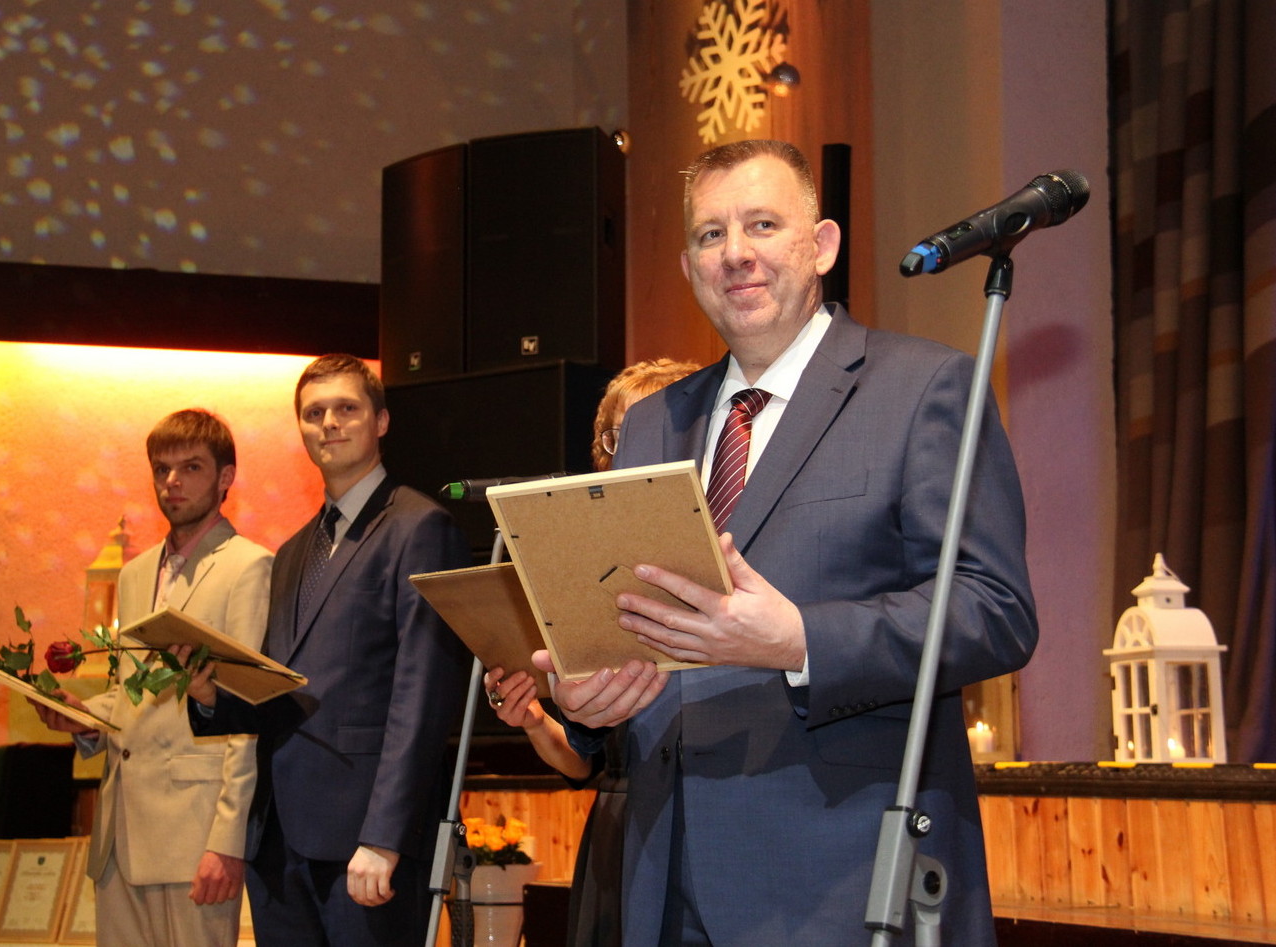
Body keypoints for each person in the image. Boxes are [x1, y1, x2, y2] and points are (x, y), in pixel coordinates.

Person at [535, 139, 1039, 946]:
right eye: (710, 235)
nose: (735, 252)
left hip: (836, 875)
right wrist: (586, 697)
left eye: (762, 224)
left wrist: (801, 639)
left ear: (822, 244)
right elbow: (631, 623)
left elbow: (994, 610)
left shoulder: (923, 388)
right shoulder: (653, 423)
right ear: (689, 265)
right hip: (660, 875)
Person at [182, 353, 471, 947]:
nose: (329, 423)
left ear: (380, 421)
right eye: (314, 413)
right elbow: (284, 692)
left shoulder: (420, 528)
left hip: (366, 843)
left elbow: (422, 696)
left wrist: (385, 837)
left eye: (346, 408)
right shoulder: (292, 551)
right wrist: (212, 697)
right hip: (277, 842)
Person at [32, 408, 273, 947]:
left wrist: (227, 840)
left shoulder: (249, 567)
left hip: (193, 833)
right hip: (120, 831)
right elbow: (131, 692)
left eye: (191, 467)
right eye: (162, 469)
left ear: (226, 477)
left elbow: (245, 711)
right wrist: (84, 717)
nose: (172, 482)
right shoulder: (135, 572)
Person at [483, 357, 698, 947]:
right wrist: (532, 718)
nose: (629, 449)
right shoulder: (584, 572)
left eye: (649, 430)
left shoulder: (715, 558)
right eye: (617, 435)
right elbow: (584, 762)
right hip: (619, 829)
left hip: (703, 817)